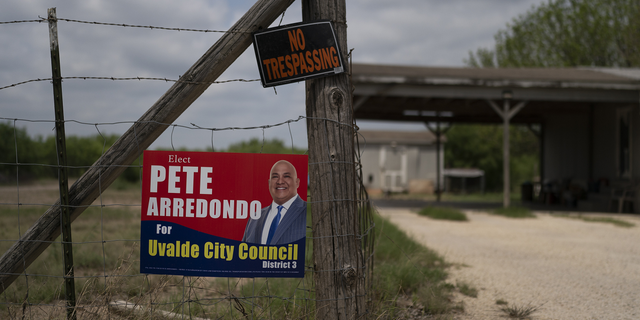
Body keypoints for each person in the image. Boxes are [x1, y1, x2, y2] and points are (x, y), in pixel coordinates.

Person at [242, 160, 307, 245]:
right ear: (269, 183)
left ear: (297, 182)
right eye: (275, 177)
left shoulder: (308, 211)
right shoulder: (255, 218)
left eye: (286, 176)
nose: (280, 181)